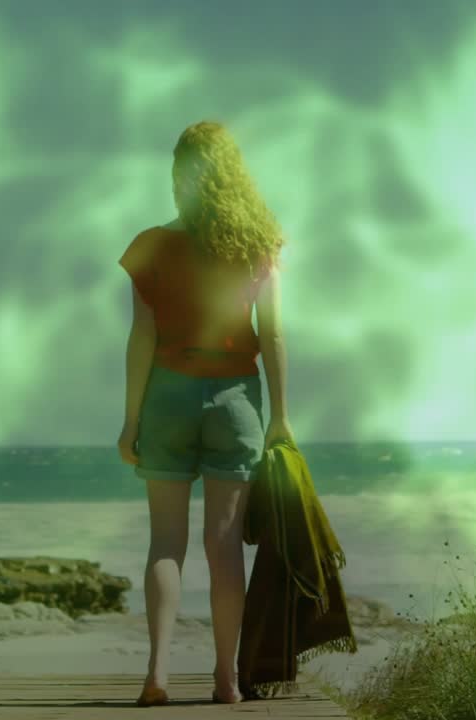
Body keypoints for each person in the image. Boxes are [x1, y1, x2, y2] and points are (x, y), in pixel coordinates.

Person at [116, 120, 295, 706]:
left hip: (168, 394)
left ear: (180, 177)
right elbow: (273, 335)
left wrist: (131, 419)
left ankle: (158, 674)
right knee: (224, 549)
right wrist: (280, 417)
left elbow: (142, 338)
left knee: (165, 545)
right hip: (235, 399)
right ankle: (226, 679)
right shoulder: (258, 245)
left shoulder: (150, 245)